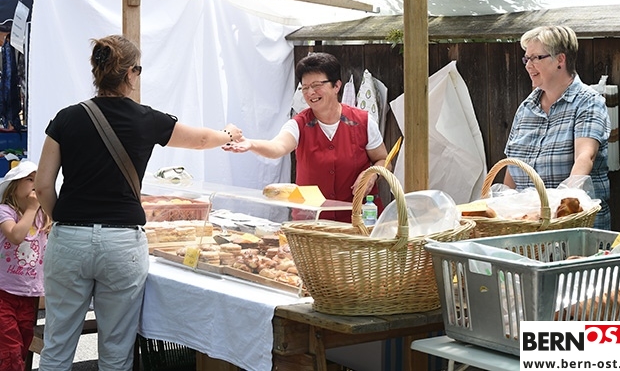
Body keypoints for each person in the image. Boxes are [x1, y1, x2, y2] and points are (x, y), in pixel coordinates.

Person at [33, 34, 243, 371]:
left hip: (70, 237)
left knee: (57, 347)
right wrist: (229, 135)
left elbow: (43, 185)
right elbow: (202, 139)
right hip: (122, 241)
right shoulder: (147, 119)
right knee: (116, 352)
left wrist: (65, 221)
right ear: (131, 73)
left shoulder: (66, 118)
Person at [224, 52, 389, 222]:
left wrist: (371, 174)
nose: (310, 92)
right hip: (311, 222)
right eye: (305, 87)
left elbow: (384, 160)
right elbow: (277, 147)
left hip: (360, 220)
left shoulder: (363, 121)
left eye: (316, 85)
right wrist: (250, 144)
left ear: (336, 86)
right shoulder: (299, 124)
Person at [504, 25, 611, 230]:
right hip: (528, 228)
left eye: (536, 58)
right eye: (526, 59)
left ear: (560, 60)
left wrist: (562, 209)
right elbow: (512, 167)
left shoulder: (588, 102)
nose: (528, 65)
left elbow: (584, 158)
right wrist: (500, 209)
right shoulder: (526, 108)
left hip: (575, 227)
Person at [0, 160, 50, 371]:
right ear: (14, 187)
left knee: (23, 344)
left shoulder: (42, 216)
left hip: (29, 295)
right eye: (30, 179)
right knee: (9, 349)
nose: (35, 184)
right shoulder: (5, 211)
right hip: (4, 293)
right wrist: (31, 208)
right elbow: (15, 236)